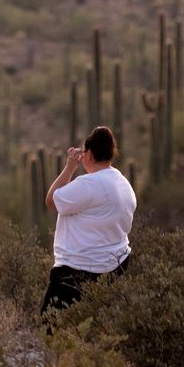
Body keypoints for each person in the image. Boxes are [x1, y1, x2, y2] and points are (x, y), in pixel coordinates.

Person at [41, 125, 136, 319]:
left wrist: (69, 167)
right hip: (115, 265)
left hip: (78, 269)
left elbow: (51, 201)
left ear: (89, 155)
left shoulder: (88, 184)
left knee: (50, 324)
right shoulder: (123, 183)